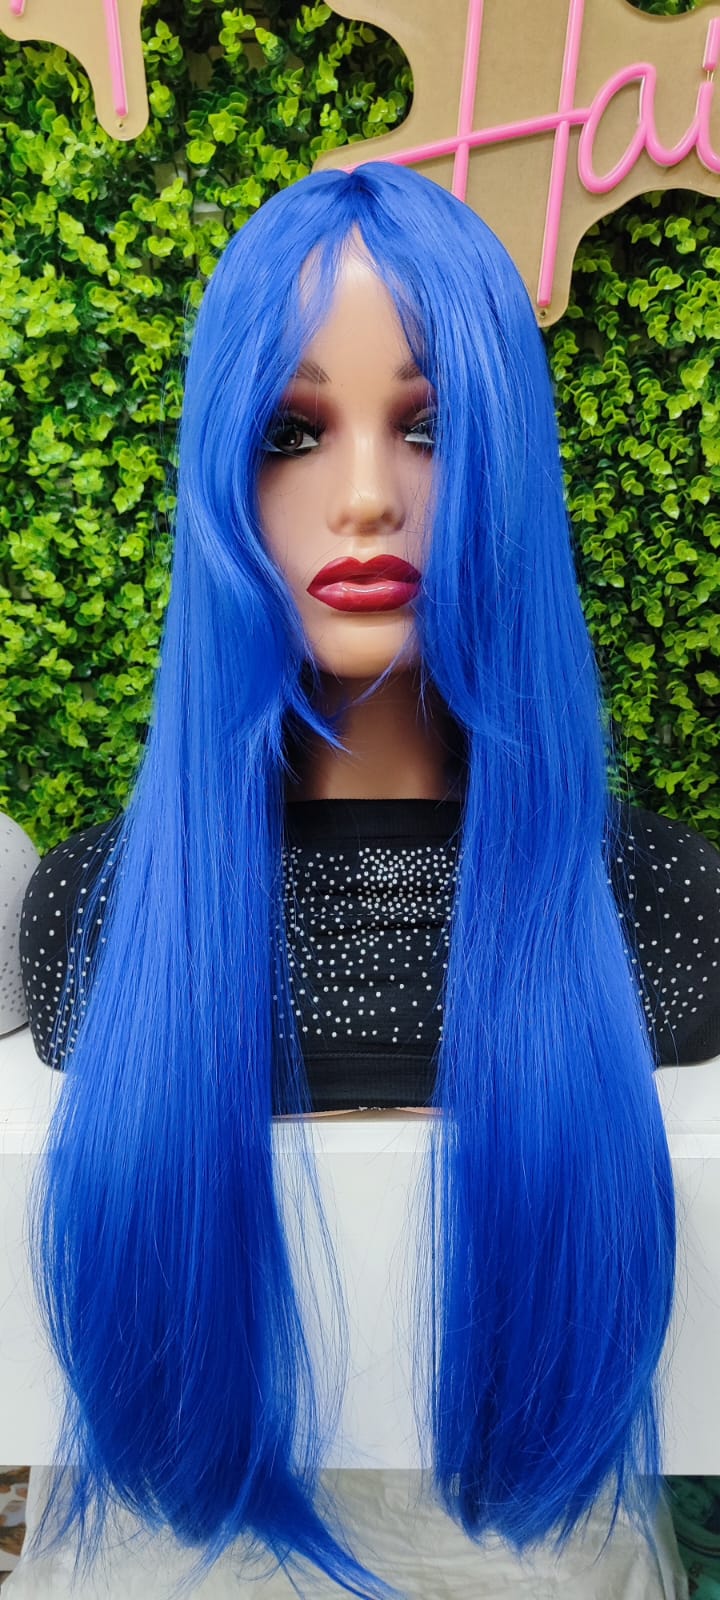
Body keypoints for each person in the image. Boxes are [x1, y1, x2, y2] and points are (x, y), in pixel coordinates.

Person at [8, 162, 718, 1599]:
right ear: (221, 469)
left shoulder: (657, 904)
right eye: (293, 432)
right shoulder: (101, 913)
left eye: (430, 428)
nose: (366, 502)